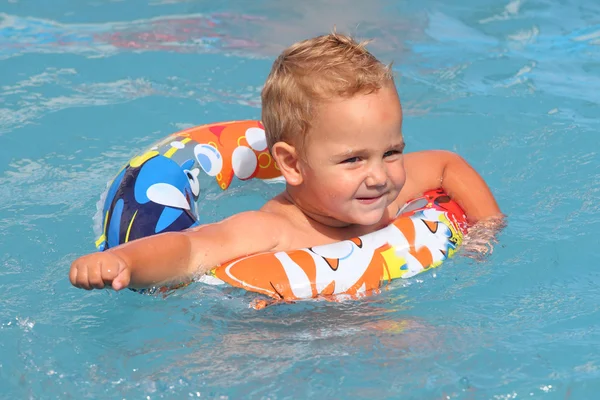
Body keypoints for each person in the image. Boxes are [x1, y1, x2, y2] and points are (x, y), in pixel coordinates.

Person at [69, 32, 502, 292]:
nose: (379, 175)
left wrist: (487, 226)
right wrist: (125, 261)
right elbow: (190, 248)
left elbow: (447, 165)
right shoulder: (273, 230)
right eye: (352, 159)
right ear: (291, 165)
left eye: (391, 151)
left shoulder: (390, 198)